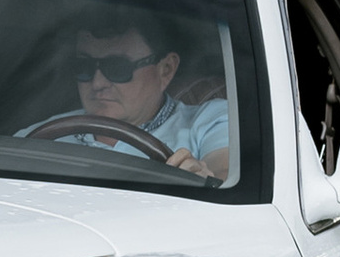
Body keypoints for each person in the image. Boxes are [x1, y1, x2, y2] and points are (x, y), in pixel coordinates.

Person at [62, 16, 231, 180]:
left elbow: (222, 173)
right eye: (83, 66)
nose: (97, 83)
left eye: (118, 68)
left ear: (166, 69)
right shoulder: (51, 130)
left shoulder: (210, 121)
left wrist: (202, 179)